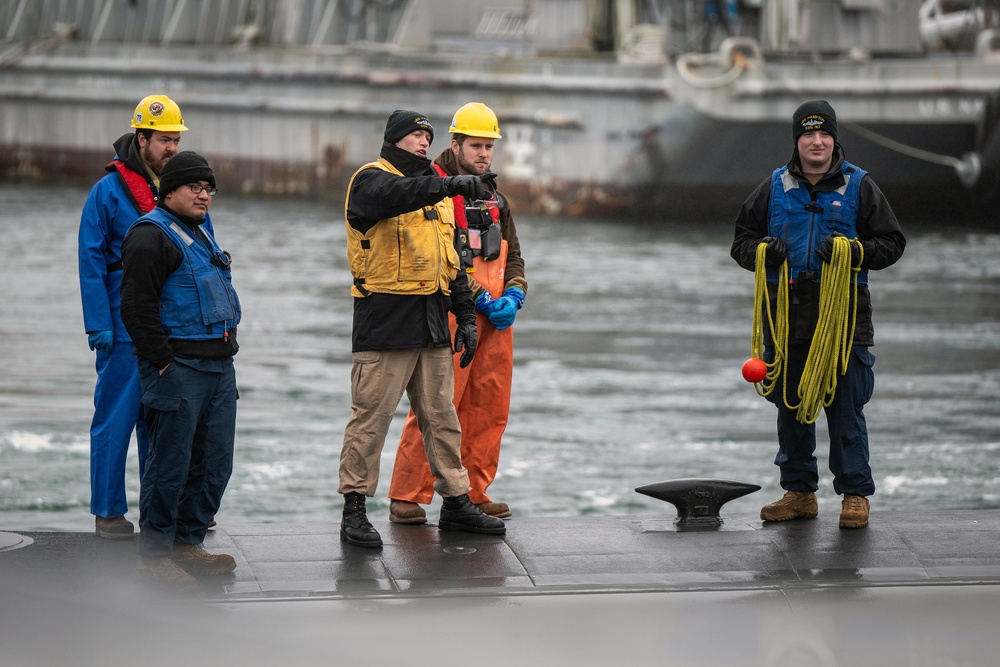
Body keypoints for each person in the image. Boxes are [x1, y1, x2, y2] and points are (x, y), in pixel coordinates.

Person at [730, 100, 905, 529]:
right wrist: (763, 252)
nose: (817, 142)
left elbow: (893, 243)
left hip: (843, 322)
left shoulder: (860, 186)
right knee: (791, 409)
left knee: (846, 410)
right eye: (808, 135)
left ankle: (855, 495)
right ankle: (799, 493)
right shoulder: (773, 187)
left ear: (834, 140)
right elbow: (741, 243)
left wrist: (856, 251)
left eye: (824, 134)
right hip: (785, 316)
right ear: (797, 140)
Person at [339, 109, 507, 548]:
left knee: (441, 419)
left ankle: (455, 501)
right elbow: (396, 195)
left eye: (426, 136)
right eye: (415, 134)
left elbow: (453, 262)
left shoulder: (431, 192)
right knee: (370, 420)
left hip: (432, 320)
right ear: (394, 139)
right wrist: (448, 184)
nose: (422, 141)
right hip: (385, 320)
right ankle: (354, 508)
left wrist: (466, 317)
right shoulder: (371, 180)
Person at [388, 102, 526, 524]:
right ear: (456, 144)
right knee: (436, 405)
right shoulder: (434, 187)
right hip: (451, 311)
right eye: (476, 146)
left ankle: (474, 490)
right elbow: (435, 253)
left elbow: (515, 256)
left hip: (497, 320)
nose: (484, 154)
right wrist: (474, 298)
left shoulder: (496, 196)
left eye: (489, 147)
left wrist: (515, 296)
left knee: (488, 405)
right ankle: (408, 495)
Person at [120, 152, 240, 589]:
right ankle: (154, 556)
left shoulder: (199, 233)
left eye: (209, 188)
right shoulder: (150, 237)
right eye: (195, 187)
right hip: (179, 368)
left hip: (218, 368)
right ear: (168, 191)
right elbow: (136, 308)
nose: (204, 194)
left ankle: (187, 543)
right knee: (169, 463)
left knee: (214, 464)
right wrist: (164, 363)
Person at [79, 94, 195, 539]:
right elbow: (90, 259)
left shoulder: (182, 190)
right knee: (115, 418)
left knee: (162, 422)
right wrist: (99, 325)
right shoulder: (106, 193)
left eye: (176, 140)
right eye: (164, 139)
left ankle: (158, 511)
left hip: (170, 326)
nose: (172, 148)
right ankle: (108, 512)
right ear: (140, 138)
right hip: (122, 326)